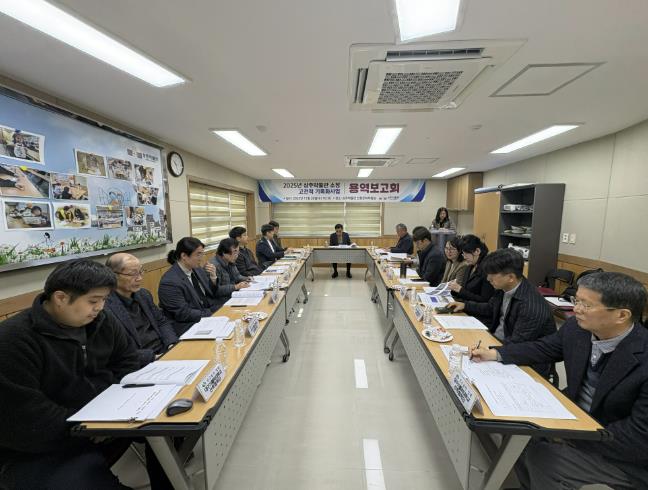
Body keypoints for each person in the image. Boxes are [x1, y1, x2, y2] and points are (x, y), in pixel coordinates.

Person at [0, 259, 173, 489]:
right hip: (39, 445)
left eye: (104, 299)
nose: (100, 307)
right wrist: (88, 426)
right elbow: (28, 417)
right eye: (93, 301)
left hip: (103, 419)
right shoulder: (13, 341)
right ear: (60, 298)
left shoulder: (101, 320)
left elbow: (127, 362)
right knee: (85, 479)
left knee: (168, 429)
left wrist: (110, 413)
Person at [470, 272, 648, 490]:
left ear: (622, 315)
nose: (576, 309)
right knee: (516, 431)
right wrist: (495, 353)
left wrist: (567, 435)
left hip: (620, 452)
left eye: (586, 305)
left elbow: (638, 437)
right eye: (576, 300)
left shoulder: (642, 355)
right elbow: (544, 348)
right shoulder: (578, 329)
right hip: (576, 419)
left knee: (545, 458)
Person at [449, 248, 556, 377]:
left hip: (525, 363)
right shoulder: (504, 287)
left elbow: (518, 344)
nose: (488, 278)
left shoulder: (530, 306)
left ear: (510, 277)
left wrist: (489, 350)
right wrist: (465, 305)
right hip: (499, 343)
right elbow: (490, 307)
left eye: (492, 274)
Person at [105, 253, 178, 366]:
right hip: (139, 363)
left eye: (141, 272)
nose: (139, 278)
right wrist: (154, 357)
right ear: (113, 275)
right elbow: (116, 351)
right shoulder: (105, 306)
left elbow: (161, 322)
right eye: (132, 274)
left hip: (164, 351)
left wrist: (171, 345)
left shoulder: (143, 294)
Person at [158, 237, 220, 335]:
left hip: (206, 315)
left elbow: (211, 293)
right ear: (184, 256)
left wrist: (213, 278)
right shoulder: (169, 282)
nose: (202, 258)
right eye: (198, 254)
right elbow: (183, 313)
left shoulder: (197, 269)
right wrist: (212, 313)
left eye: (202, 254)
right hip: (188, 324)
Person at [448, 234, 495, 324]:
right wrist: (454, 289)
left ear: (477, 251)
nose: (464, 257)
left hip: (479, 316)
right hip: (466, 310)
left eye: (466, 253)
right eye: (463, 253)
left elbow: (484, 301)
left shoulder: (487, 270)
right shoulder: (470, 266)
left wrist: (460, 290)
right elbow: (465, 291)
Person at [210, 238, 250, 303]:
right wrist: (235, 287)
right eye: (235, 252)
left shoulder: (230, 261)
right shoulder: (213, 266)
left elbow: (237, 276)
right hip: (222, 300)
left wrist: (247, 278)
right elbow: (216, 290)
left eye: (238, 252)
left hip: (233, 295)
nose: (237, 256)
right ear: (224, 253)